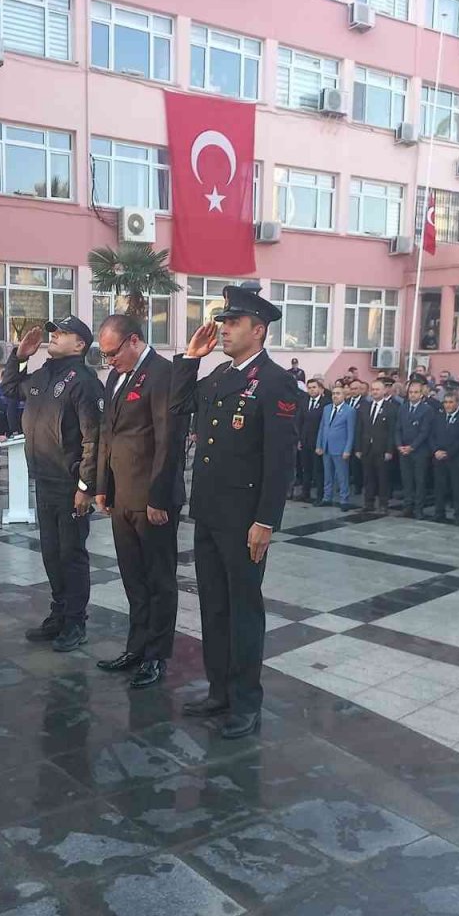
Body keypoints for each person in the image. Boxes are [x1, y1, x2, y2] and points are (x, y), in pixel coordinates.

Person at [171, 284, 296, 739]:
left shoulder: (276, 381)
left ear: (258, 329)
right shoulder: (221, 376)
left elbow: (280, 460)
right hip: (209, 512)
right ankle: (220, 691)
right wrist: (190, 358)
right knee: (214, 608)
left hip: (245, 521)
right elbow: (178, 403)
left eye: (232, 322)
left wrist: (266, 521)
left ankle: (246, 703)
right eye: (222, 322)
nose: (222, 329)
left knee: (244, 612)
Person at [92, 313, 184, 688]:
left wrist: (159, 495)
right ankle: (136, 647)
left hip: (151, 499)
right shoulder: (116, 375)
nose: (108, 361)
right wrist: (102, 485)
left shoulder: (163, 374)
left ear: (133, 341)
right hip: (121, 495)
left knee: (158, 579)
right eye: (104, 355)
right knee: (133, 578)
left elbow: (168, 439)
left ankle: (157, 656)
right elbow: (108, 434)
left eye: (112, 353)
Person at [2, 316, 103, 653]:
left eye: (63, 333)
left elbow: (94, 439)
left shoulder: (84, 381)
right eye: (54, 333)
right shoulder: (44, 374)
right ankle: (58, 614)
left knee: (71, 555)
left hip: (69, 483)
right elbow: (9, 388)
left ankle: (76, 622)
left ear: (80, 345)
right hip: (43, 479)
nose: (54, 337)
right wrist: (19, 356)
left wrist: (85, 487)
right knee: (51, 554)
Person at [395, 378, 434, 519]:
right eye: (410, 392)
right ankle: (407, 507)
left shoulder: (427, 410)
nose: (412, 395)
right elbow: (398, 428)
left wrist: (411, 447)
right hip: (403, 451)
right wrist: (399, 445)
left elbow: (425, 432)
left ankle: (419, 509)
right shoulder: (403, 407)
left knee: (420, 481)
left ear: (421, 394)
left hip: (419, 451)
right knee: (407, 481)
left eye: (415, 392)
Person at [355, 376, 395, 514]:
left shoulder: (391, 408)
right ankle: (368, 503)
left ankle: (383, 505)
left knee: (382, 478)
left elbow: (392, 431)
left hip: (382, 449)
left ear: (384, 391)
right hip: (366, 448)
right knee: (368, 477)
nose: (374, 392)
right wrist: (358, 448)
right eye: (373, 389)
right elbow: (359, 428)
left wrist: (390, 450)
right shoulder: (365, 406)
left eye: (378, 389)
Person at [432, 389, 459, 524]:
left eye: (451, 402)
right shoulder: (438, 417)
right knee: (439, 487)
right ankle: (439, 512)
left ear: (457, 403)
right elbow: (432, 436)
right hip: (439, 458)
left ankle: (458, 515)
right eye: (445, 402)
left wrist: (448, 453)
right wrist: (436, 450)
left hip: (456, 459)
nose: (448, 405)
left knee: (458, 488)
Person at [316, 383, 356, 511]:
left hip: (340, 448)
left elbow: (351, 432)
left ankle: (344, 499)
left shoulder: (349, 411)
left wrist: (347, 449)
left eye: (338, 394)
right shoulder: (327, 408)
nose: (335, 396)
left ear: (344, 396)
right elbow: (322, 427)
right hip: (326, 446)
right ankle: (327, 497)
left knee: (342, 475)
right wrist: (319, 445)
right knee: (328, 474)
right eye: (333, 394)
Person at [297, 379, 327, 503]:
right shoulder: (303, 402)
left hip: (318, 441)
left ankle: (320, 495)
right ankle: (305, 493)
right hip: (305, 441)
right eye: (309, 388)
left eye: (314, 387)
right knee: (306, 469)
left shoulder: (326, 403)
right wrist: (299, 439)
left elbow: (325, 424)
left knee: (318, 470)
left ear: (320, 389)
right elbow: (299, 422)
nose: (312, 390)